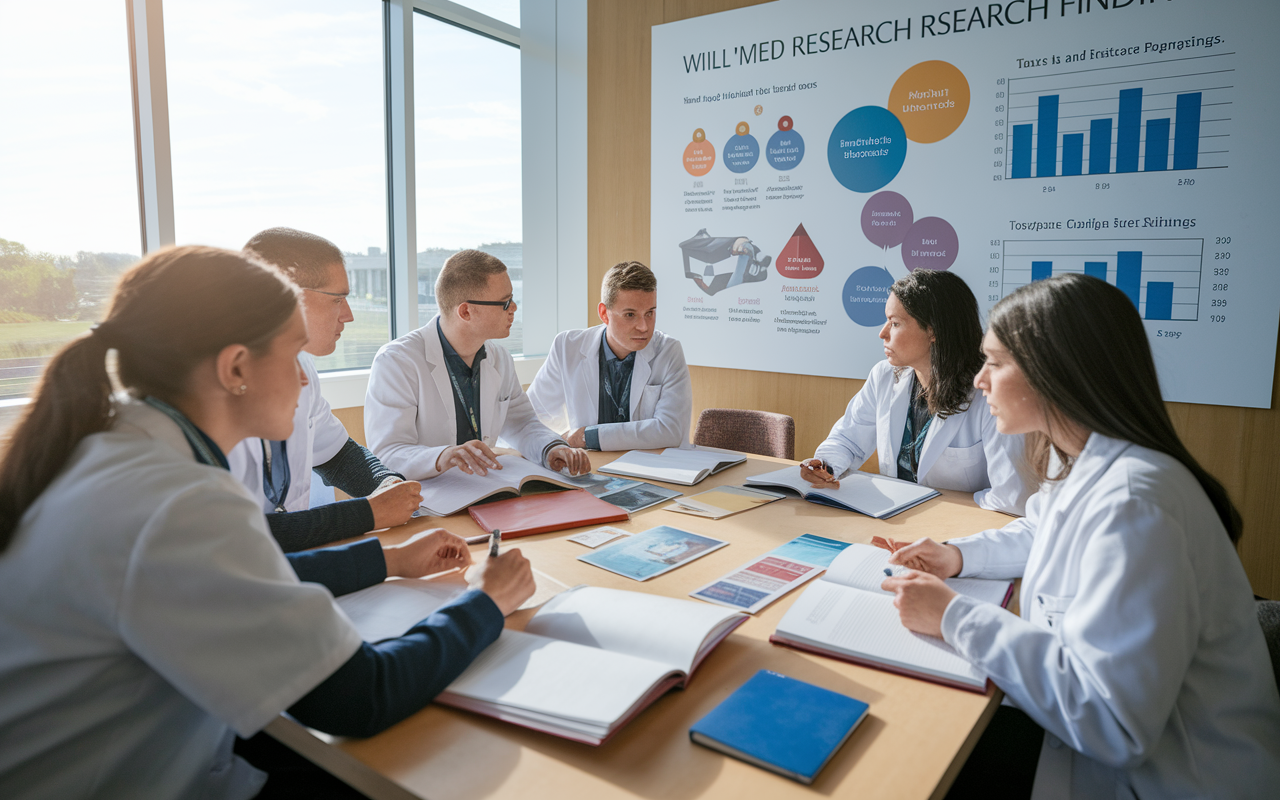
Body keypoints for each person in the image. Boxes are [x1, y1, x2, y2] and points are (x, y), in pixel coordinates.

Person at [0, 246, 536, 799]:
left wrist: (387, 559)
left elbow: (238, 575)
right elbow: (362, 696)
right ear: (235, 369)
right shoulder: (178, 500)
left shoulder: (120, 447)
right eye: (294, 353)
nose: (305, 380)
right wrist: (485, 603)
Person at [881, 273, 1280, 800]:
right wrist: (955, 556)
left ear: (1054, 373)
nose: (979, 381)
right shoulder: (1092, 462)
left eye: (995, 363)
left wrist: (953, 616)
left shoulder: (1137, 502)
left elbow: (1114, 723)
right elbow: (1039, 527)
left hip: (1167, 779)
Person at [227, 227, 422, 552]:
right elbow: (242, 535)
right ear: (287, 293)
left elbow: (337, 455)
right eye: (338, 299)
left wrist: (385, 483)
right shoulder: (216, 391)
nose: (348, 315)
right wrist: (369, 513)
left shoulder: (301, 368)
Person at [800, 269, 1029, 515]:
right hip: (891, 519)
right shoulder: (884, 376)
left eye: (895, 323)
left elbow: (1011, 498)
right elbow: (848, 439)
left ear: (932, 331)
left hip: (959, 530)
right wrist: (826, 465)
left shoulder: (989, 393)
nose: (882, 333)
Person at [364, 248, 590, 480]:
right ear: (466, 311)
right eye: (505, 302)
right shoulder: (397, 361)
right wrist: (443, 456)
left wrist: (551, 448)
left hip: (483, 486)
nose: (513, 308)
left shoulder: (499, 358)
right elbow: (387, 453)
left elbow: (522, 424)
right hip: (425, 494)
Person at [526, 260, 692, 451]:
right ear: (604, 314)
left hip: (649, 469)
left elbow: (671, 431)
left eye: (650, 313)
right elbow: (531, 416)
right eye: (630, 315)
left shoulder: (669, 351)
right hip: (590, 466)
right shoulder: (567, 347)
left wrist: (586, 436)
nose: (644, 327)